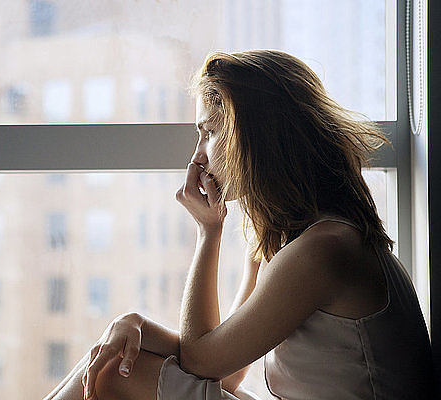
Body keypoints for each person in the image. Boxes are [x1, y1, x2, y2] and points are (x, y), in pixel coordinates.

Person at [43, 50, 436, 400]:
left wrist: (207, 233)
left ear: (252, 138)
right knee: (117, 354)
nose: (198, 156)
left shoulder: (323, 249)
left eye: (209, 133)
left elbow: (203, 362)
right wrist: (132, 325)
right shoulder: (288, 242)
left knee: (117, 373)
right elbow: (228, 371)